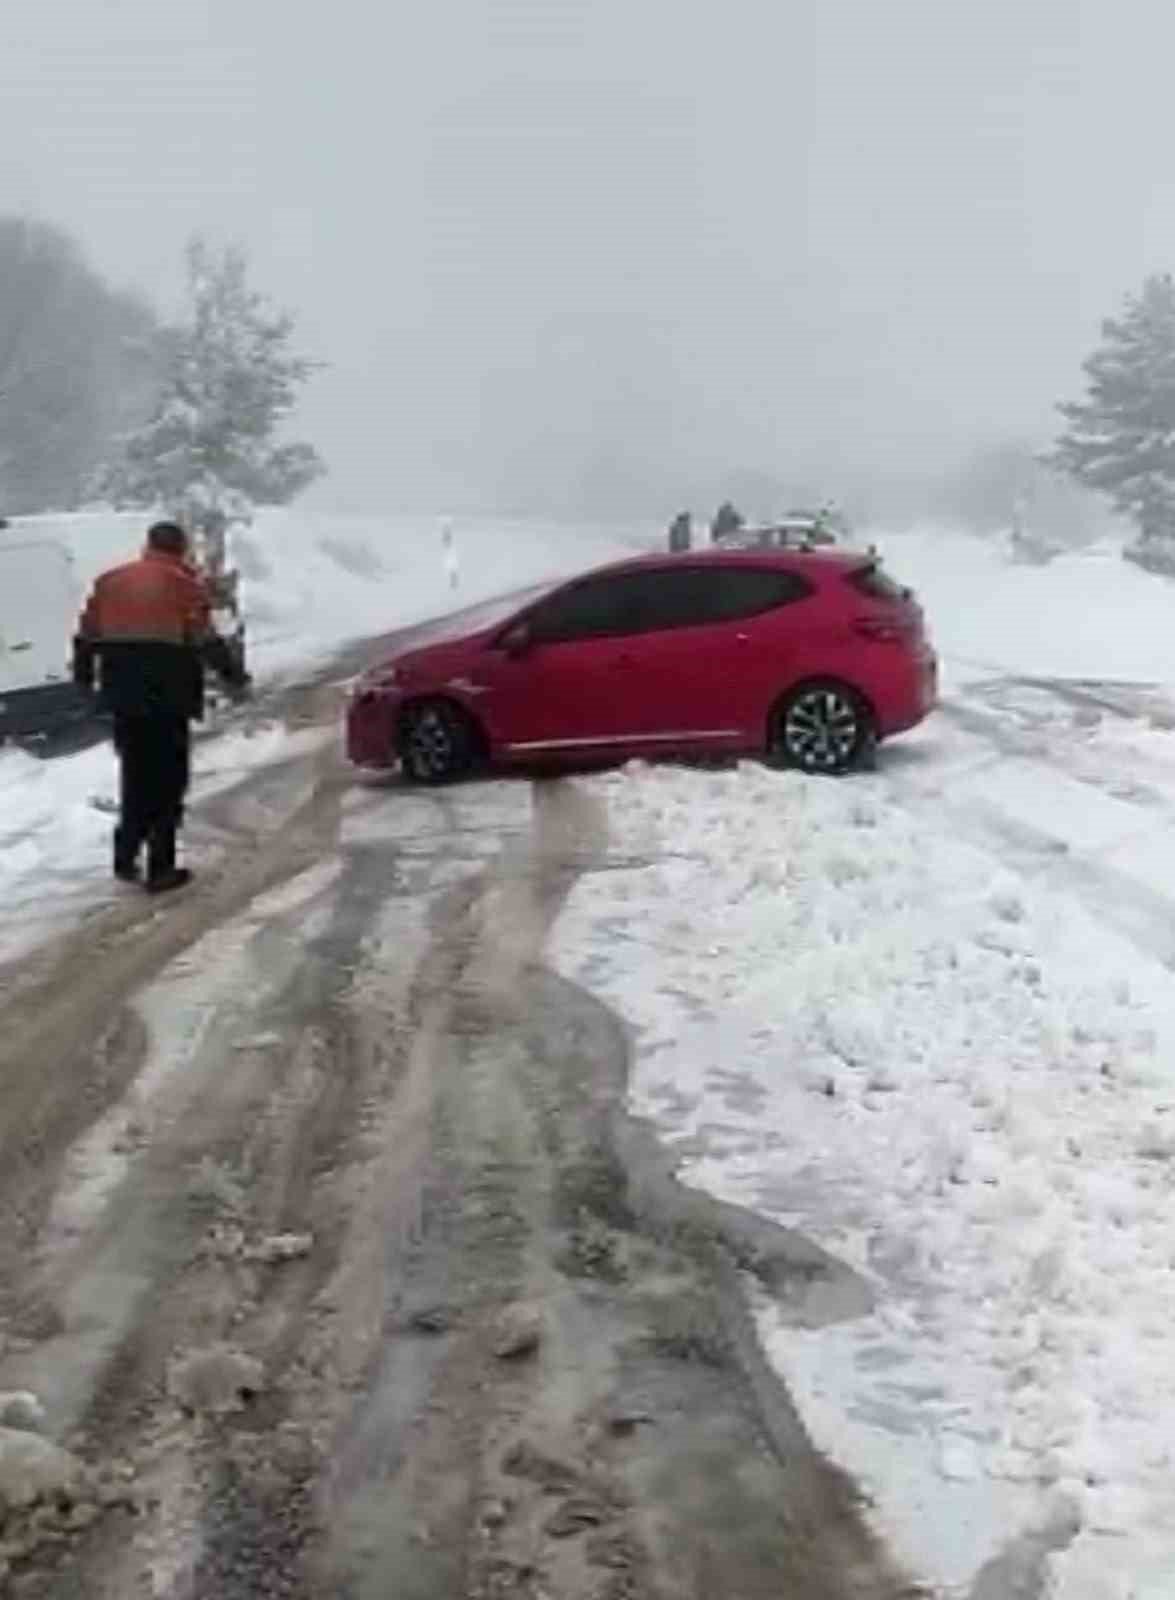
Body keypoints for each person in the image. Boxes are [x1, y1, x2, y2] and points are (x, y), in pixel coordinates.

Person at [73, 521, 251, 894]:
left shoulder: (109, 581)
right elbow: (204, 639)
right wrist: (234, 676)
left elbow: (86, 636)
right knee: (168, 782)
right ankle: (161, 868)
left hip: (123, 698)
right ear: (181, 549)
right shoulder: (184, 585)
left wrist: (85, 683)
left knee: (135, 776)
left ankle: (125, 857)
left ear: (148, 544)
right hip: (168, 698)